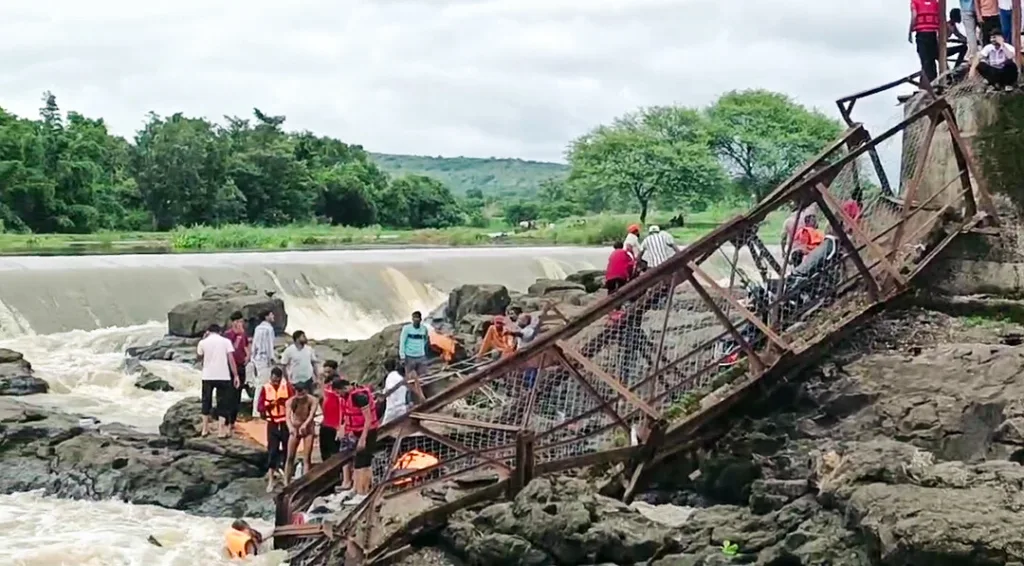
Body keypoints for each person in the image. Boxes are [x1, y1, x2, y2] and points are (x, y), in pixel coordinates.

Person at [337, 380, 378, 506]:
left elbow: (368, 419)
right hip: (356, 431)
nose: (339, 395)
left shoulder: (359, 397)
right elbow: (347, 416)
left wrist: (363, 438)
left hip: (368, 432)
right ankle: (356, 489)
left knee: (363, 463)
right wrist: (345, 430)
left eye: (339, 392)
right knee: (358, 462)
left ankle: (363, 493)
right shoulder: (347, 397)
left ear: (345, 388)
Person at [197, 324, 239, 439]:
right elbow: (231, 359)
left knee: (206, 401)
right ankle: (221, 430)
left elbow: (199, 357)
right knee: (223, 403)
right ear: (220, 332)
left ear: (208, 331)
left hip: (207, 376)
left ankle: (205, 429)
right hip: (223, 375)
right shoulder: (226, 341)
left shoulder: (203, 342)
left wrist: (203, 339)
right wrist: (236, 375)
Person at [256, 367, 293, 492]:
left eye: (277, 381)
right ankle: (271, 479)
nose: (275, 383)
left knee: (288, 450)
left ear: (281, 378)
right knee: (272, 451)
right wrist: (270, 405)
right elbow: (260, 407)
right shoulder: (265, 388)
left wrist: (284, 403)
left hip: (285, 423)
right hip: (272, 423)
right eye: (273, 380)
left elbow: (294, 402)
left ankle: (287, 479)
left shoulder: (287, 387)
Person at [284, 381, 317, 484]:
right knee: (290, 457)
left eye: (302, 394)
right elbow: (287, 417)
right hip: (295, 427)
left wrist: (305, 424)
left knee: (306, 458)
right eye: (298, 394)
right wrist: (290, 427)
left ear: (306, 391)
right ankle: (286, 482)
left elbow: (311, 415)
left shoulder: (312, 400)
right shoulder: (291, 401)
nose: (300, 397)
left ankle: (305, 482)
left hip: (308, 428)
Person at [223, 311, 250, 432]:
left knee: (238, 394)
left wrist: (248, 356)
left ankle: (233, 421)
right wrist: (238, 336)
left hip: (241, 366)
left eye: (241, 321)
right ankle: (227, 421)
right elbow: (231, 349)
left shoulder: (243, 334)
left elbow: (246, 346)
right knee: (230, 394)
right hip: (230, 367)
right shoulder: (228, 334)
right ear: (233, 322)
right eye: (238, 321)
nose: (241, 324)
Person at [398, 311, 430, 403]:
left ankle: (421, 398)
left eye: (417, 319)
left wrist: (422, 350)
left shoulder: (424, 329)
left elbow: (425, 340)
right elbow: (402, 342)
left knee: (422, 379)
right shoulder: (406, 329)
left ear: (420, 319)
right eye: (414, 318)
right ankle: (409, 400)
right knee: (409, 380)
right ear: (412, 319)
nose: (416, 320)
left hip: (421, 357)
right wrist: (402, 356)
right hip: (409, 357)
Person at [249, 310, 276, 416]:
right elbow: (270, 345)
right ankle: (260, 410)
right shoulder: (269, 329)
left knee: (259, 384)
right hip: (265, 359)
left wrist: (253, 358)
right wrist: (271, 358)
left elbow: (254, 344)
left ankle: (257, 409)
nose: (273, 316)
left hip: (257, 359)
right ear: (266, 316)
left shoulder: (258, 328)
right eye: (271, 314)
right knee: (264, 385)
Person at [910, 0, 943, 82]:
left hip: (921, 33)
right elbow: (940, 17)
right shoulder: (935, 3)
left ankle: (927, 84)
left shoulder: (915, 2)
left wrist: (910, 31)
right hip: (932, 33)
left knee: (925, 60)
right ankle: (934, 82)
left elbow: (914, 16)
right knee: (932, 60)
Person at [319, 373, 343, 464]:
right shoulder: (328, 391)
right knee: (326, 452)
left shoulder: (338, 395)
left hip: (335, 426)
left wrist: (340, 427)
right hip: (326, 425)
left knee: (335, 452)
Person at [380, 359, 410, 426]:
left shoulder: (389, 378)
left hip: (392, 409)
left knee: (383, 428)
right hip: (402, 407)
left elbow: (388, 391)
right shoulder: (400, 377)